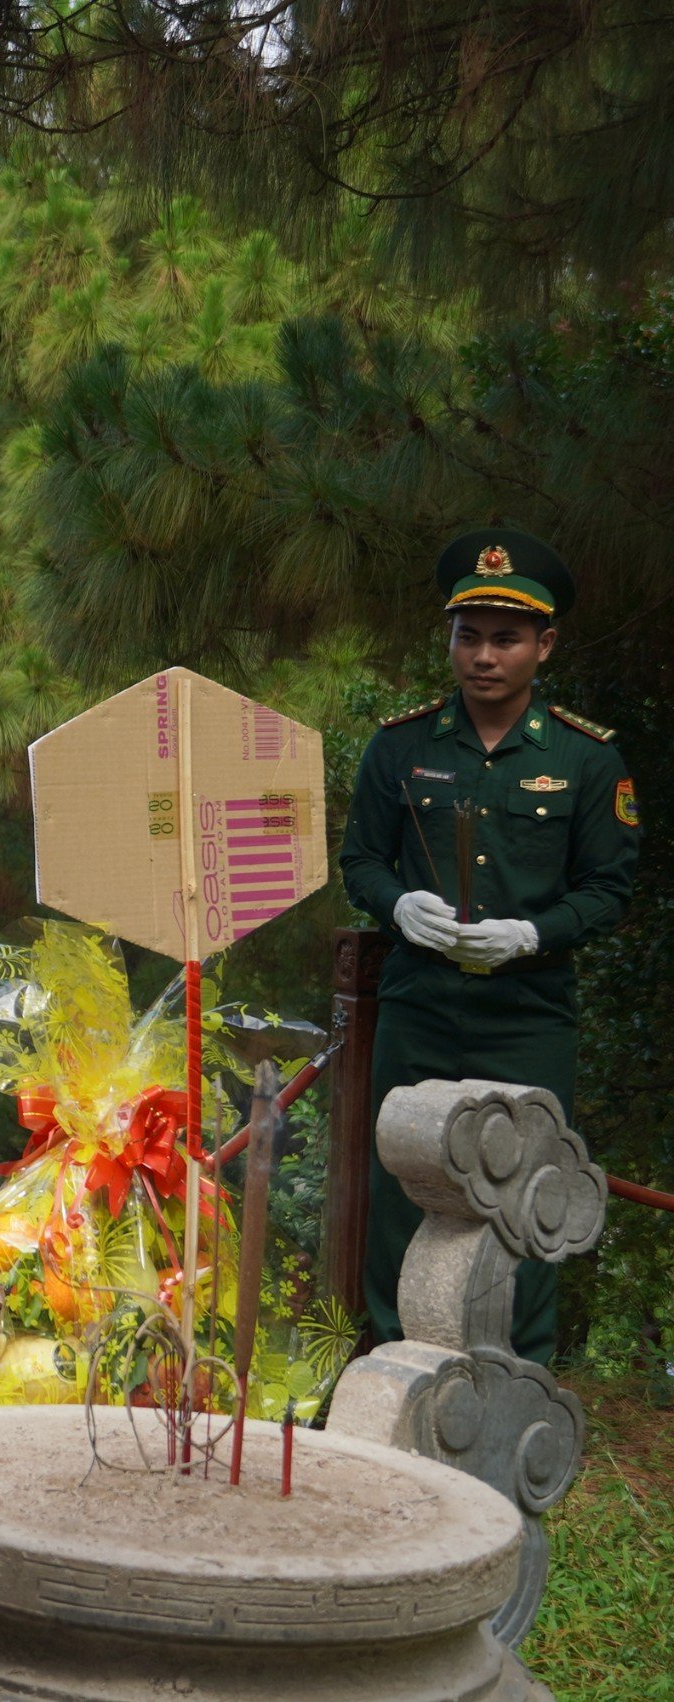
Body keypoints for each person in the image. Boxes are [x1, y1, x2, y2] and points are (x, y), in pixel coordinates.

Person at [340, 530, 638, 1365]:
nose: (482, 656)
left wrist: (534, 932)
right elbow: (360, 857)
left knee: (529, 1191)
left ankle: (518, 1374)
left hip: (529, 1012)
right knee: (405, 1182)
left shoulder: (586, 759)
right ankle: (396, 1368)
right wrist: (400, 907)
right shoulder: (403, 747)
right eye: (466, 634)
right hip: (421, 1002)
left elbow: (609, 890)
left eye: (505, 638)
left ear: (544, 645)